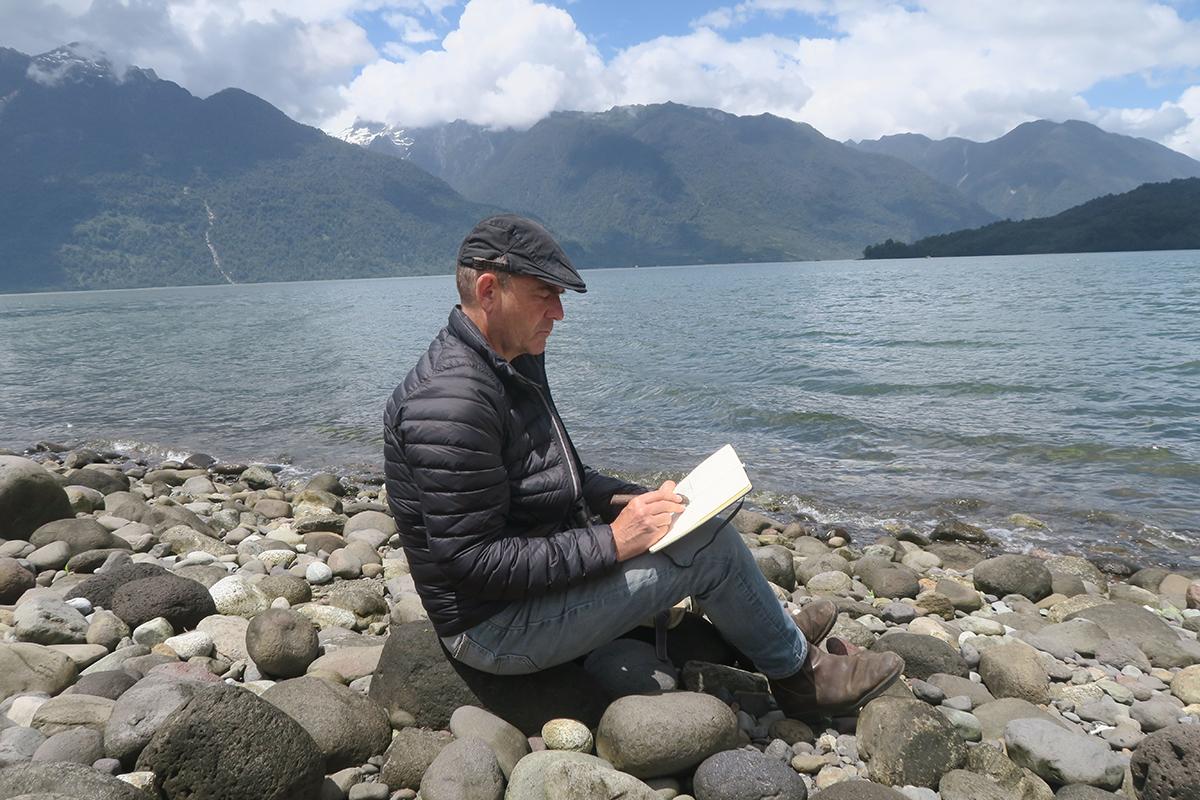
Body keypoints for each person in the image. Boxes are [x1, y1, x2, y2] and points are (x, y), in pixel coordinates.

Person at [383, 214, 903, 718]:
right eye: (547, 295)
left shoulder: (508, 365)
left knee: (690, 522)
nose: (559, 313)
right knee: (711, 548)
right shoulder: (452, 402)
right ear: (491, 291)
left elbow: (563, 478)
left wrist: (636, 502)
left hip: (531, 589)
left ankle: (769, 632)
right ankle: (800, 677)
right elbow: (475, 561)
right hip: (494, 628)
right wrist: (614, 541)